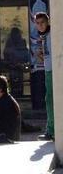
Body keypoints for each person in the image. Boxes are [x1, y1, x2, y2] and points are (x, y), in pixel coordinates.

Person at [35, 13, 54, 141]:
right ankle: (50, 129)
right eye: (37, 23)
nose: (40, 25)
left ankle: (51, 130)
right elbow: (46, 56)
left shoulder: (52, 34)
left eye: (42, 22)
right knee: (49, 100)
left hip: (54, 70)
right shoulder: (43, 36)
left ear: (47, 22)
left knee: (50, 100)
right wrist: (40, 55)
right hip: (48, 70)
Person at [2, 27, 30, 97]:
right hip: (12, 65)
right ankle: (16, 93)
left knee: (18, 78)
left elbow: (25, 53)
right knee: (15, 77)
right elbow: (6, 53)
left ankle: (18, 93)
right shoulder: (10, 42)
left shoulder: (21, 41)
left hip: (19, 65)